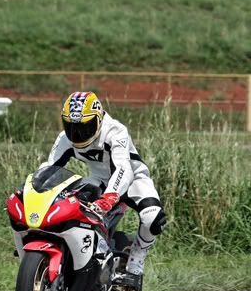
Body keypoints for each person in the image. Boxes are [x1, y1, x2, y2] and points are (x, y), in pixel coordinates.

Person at [40, 91, 166, 278]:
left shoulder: (115, 131)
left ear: (98, 119)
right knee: (68, 208)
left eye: (85, 127)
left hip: (133, 180)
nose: (78, 134)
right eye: (71, 127)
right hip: (98, 179)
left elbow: (123, 168)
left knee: (153, 218)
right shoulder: (65, 138)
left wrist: (109, 197)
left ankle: (137, 255)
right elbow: (50, 168)